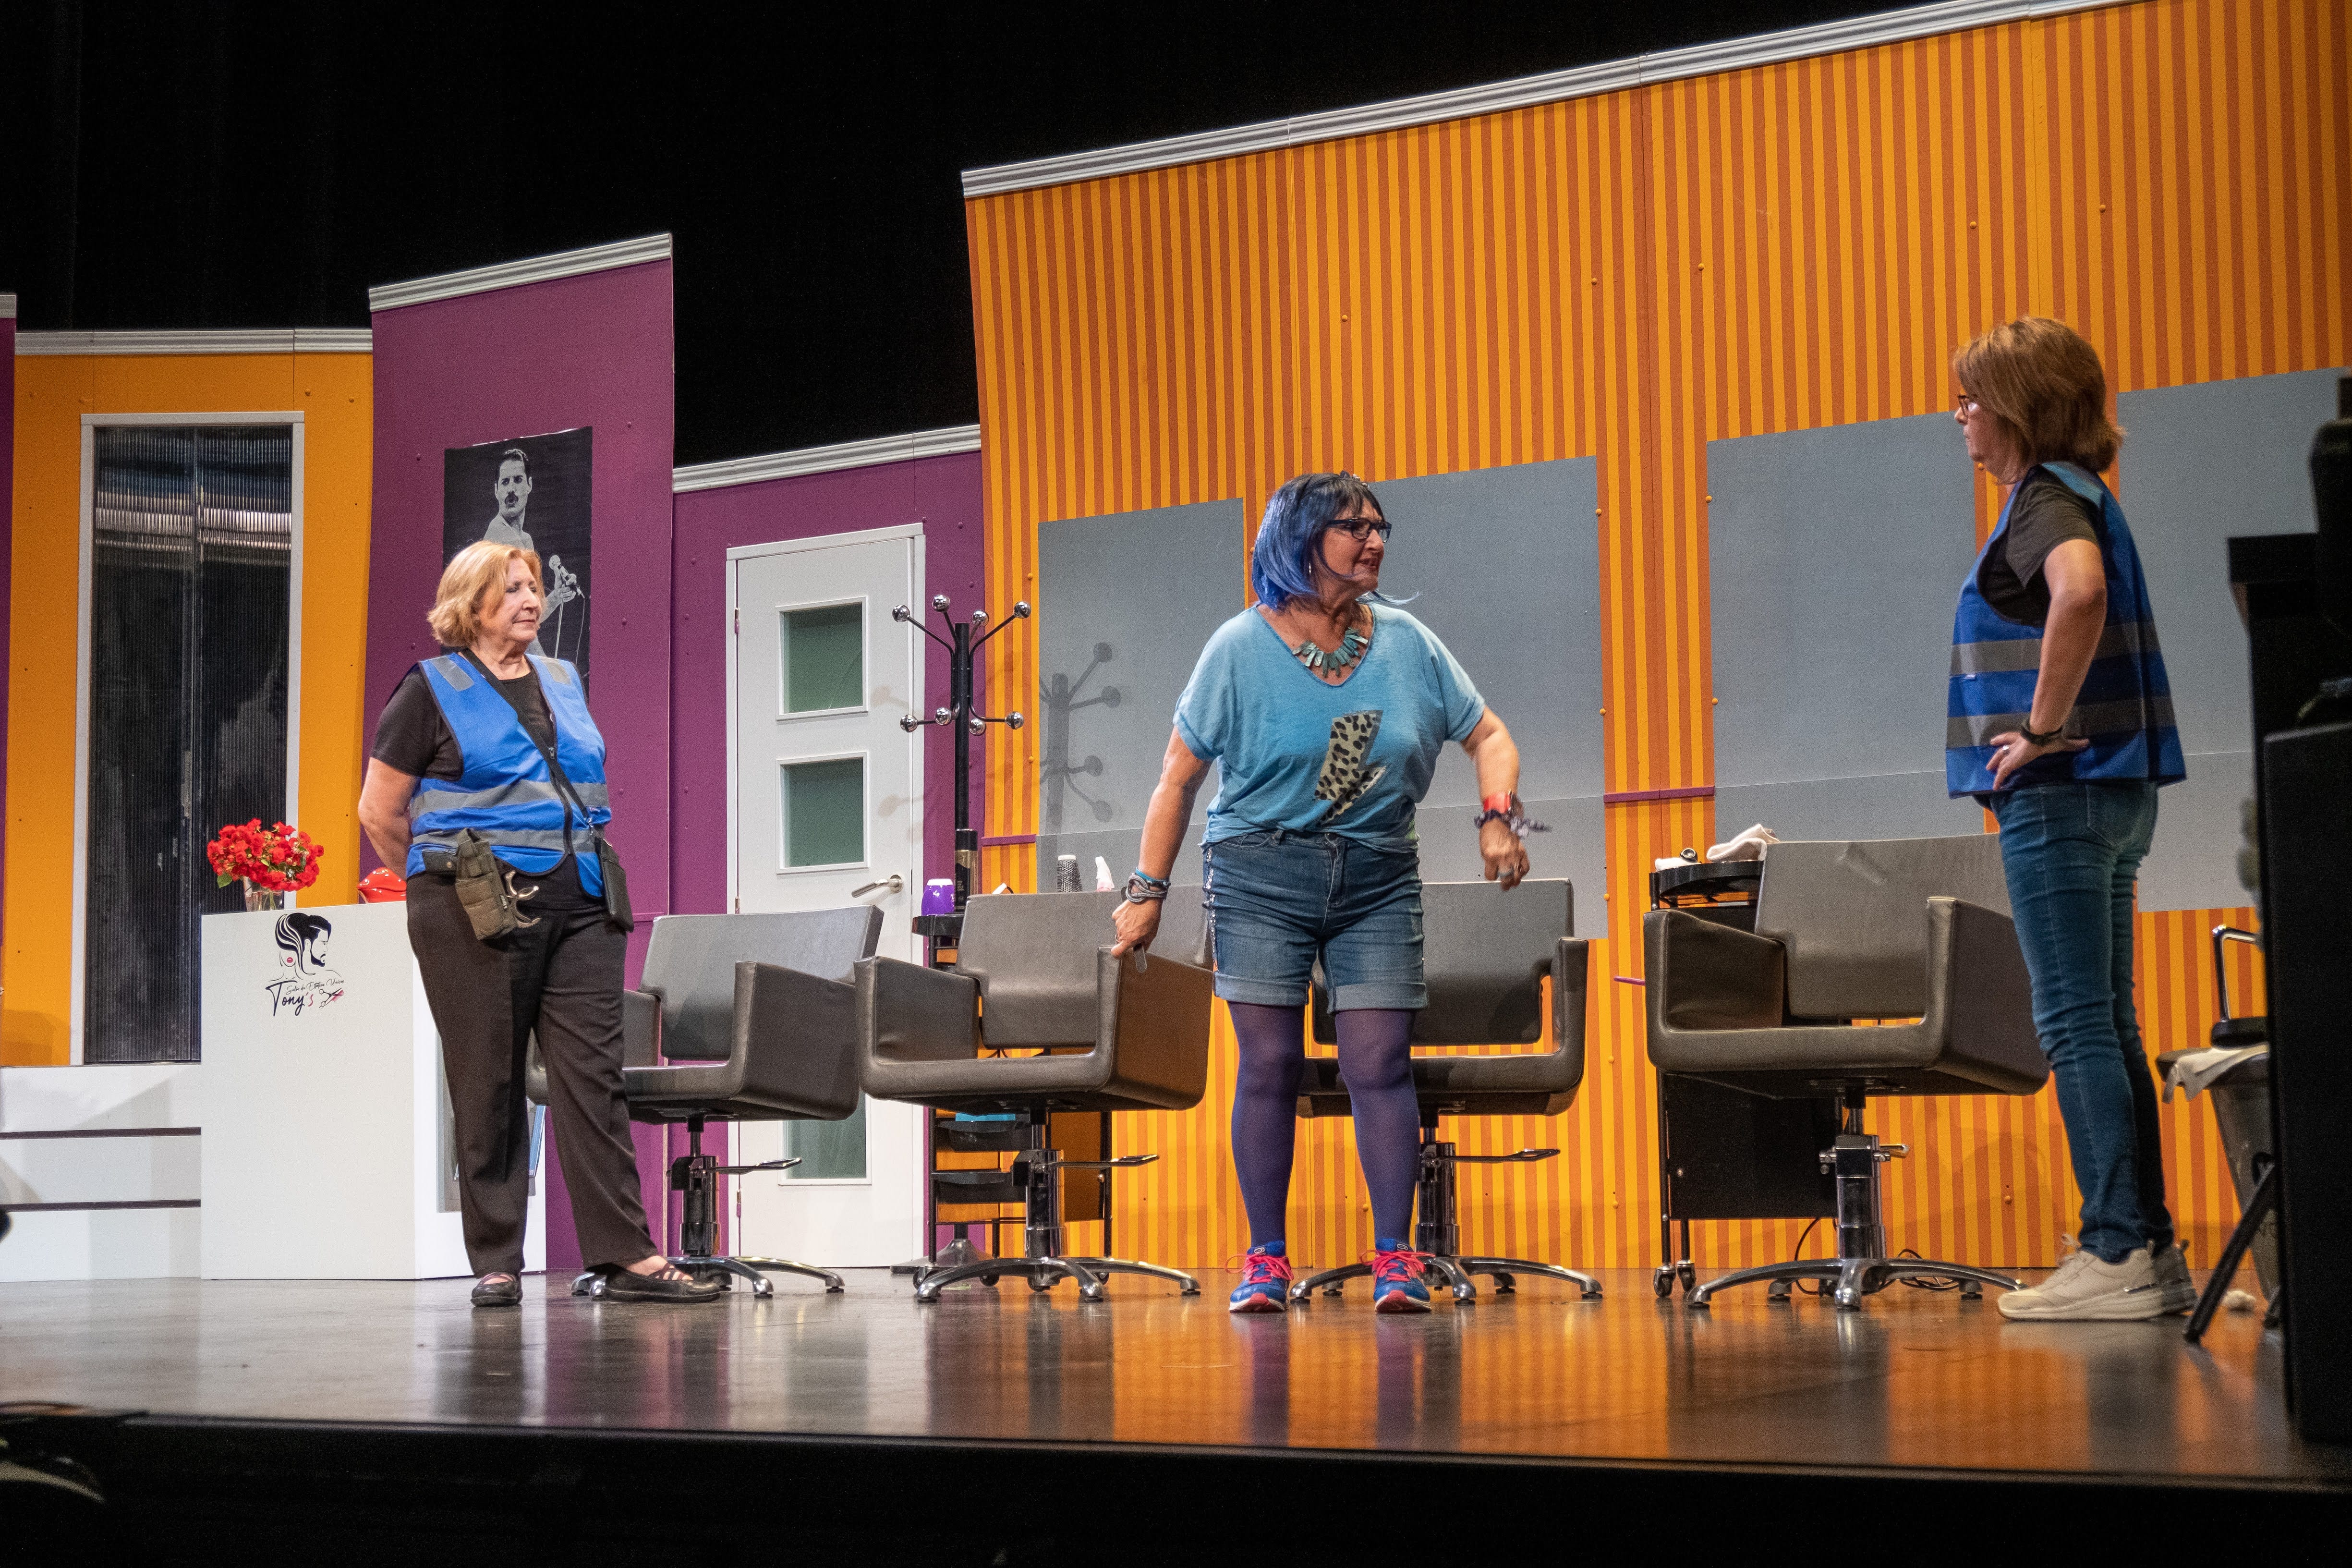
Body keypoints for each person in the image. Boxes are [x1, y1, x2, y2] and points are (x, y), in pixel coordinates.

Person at [1109, 473, 1538, 1314]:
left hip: (1376, 872)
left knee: (1377, 1060)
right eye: (1352, 526)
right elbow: (1177, 777)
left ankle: (1396, 1259)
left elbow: (1488, 733)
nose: (1373, 541)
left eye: (1379, 527)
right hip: (1259, 870)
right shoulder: (1238, 646)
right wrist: (1146, 890)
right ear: (1301, 539)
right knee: (1269, 1062)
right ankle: (1265, 1259)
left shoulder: (1408, 642)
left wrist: (1499, 817)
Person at [357, 541, 716, 1307]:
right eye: (512, 589)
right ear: (471, 605)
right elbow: (379, 813)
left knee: (593, 1077)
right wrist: (442, 877)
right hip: (474, 908)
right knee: (487, 1079)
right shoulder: (429, 689)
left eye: (533, 587)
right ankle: (496, 1259)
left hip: (581, 896)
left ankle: (626, 1253)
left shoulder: (561, 679)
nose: (530, 600)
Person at [1945, 317, 2192, 1322]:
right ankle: (2148, 1248)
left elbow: (2077, 593)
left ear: (2015, 406)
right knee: (2106, 1017)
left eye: (1969, 398)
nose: (1958, 416)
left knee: (2074, 1020)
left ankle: (2115, 1247)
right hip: (2115, 791)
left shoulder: (2044, 499)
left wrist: (2041, 729)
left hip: (2065, 792)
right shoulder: (2082, 492)